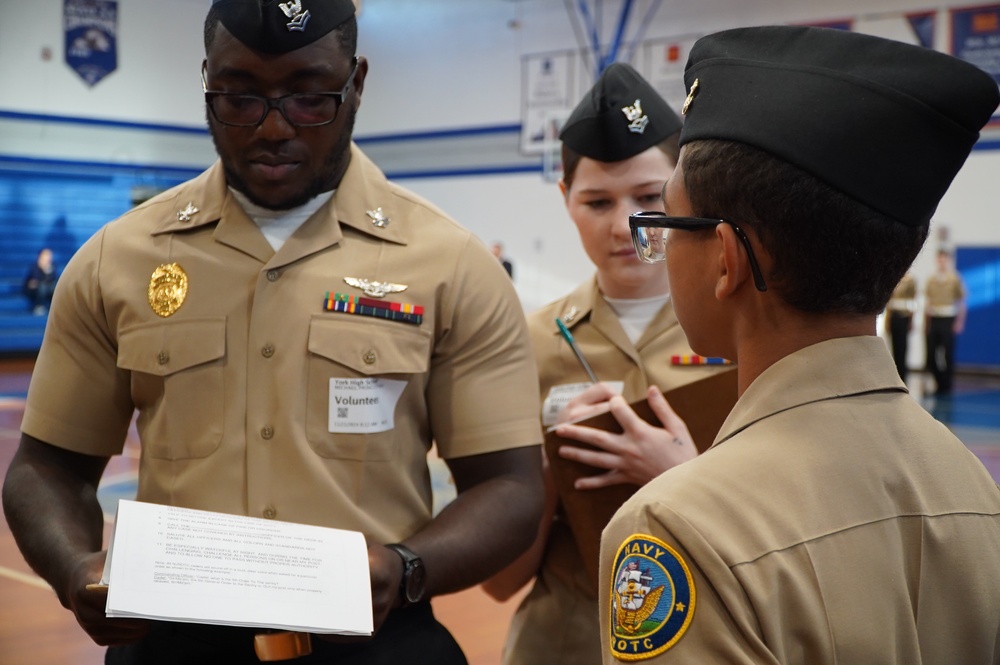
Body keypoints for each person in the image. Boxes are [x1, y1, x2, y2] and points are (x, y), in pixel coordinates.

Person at [1, 2, 545, 664]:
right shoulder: (118, 260)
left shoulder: (452, 265)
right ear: (206, 80)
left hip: (376, 639)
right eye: (239, 97)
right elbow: (46, 466)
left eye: (311, 97)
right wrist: (72, 568)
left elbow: (512, 485)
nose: (273, 127)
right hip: (172, 646)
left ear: (357, 81)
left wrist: (407, 567)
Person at [604, 25, 1000, 663]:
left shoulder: (676, 528)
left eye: (668, 223)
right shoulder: (973, 488)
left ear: (727, 260)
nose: (660, 249)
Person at [482, 63, 728, 665]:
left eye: (649, 198)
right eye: (597, 201)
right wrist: (535, 470)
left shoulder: (744, 326)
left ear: (684, 192)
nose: (626, 227)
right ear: (566, 200)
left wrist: (681, 479)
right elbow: (500, 580)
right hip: (567, 642)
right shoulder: (526, 344)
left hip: (717, 635)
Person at [924, 248, 967, 395]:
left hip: (948, 318)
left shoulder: (955, 279)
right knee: (931, 354)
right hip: (935, 318)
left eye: (944, 259)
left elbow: (961, 302)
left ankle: (946, 385)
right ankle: (939, 381)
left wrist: (959, 321)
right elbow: (928, 302)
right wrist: (927, 323)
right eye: (939, 259)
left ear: (948, 261)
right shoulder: (931, 280)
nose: (942, 262)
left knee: (947, 353)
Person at [884, 271, 917, 382]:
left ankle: (903, 376)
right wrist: (887, 321)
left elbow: (913, 300)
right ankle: (895, 375)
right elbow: (889, 302)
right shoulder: (893, 279)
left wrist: (911, 320)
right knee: (893, 347)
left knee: (902, 347)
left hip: (904, 316)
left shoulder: (910, 281)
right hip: (894, 315)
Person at [23, 247, 58, 315]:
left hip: (48, 288)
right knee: (42, 286)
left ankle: (53, 307)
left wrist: (47, 271)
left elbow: (52, 279)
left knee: (54, 287)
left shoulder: (52, 267)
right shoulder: (34, 267)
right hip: (34, 290)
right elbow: (33, 281)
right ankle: (39, 306)